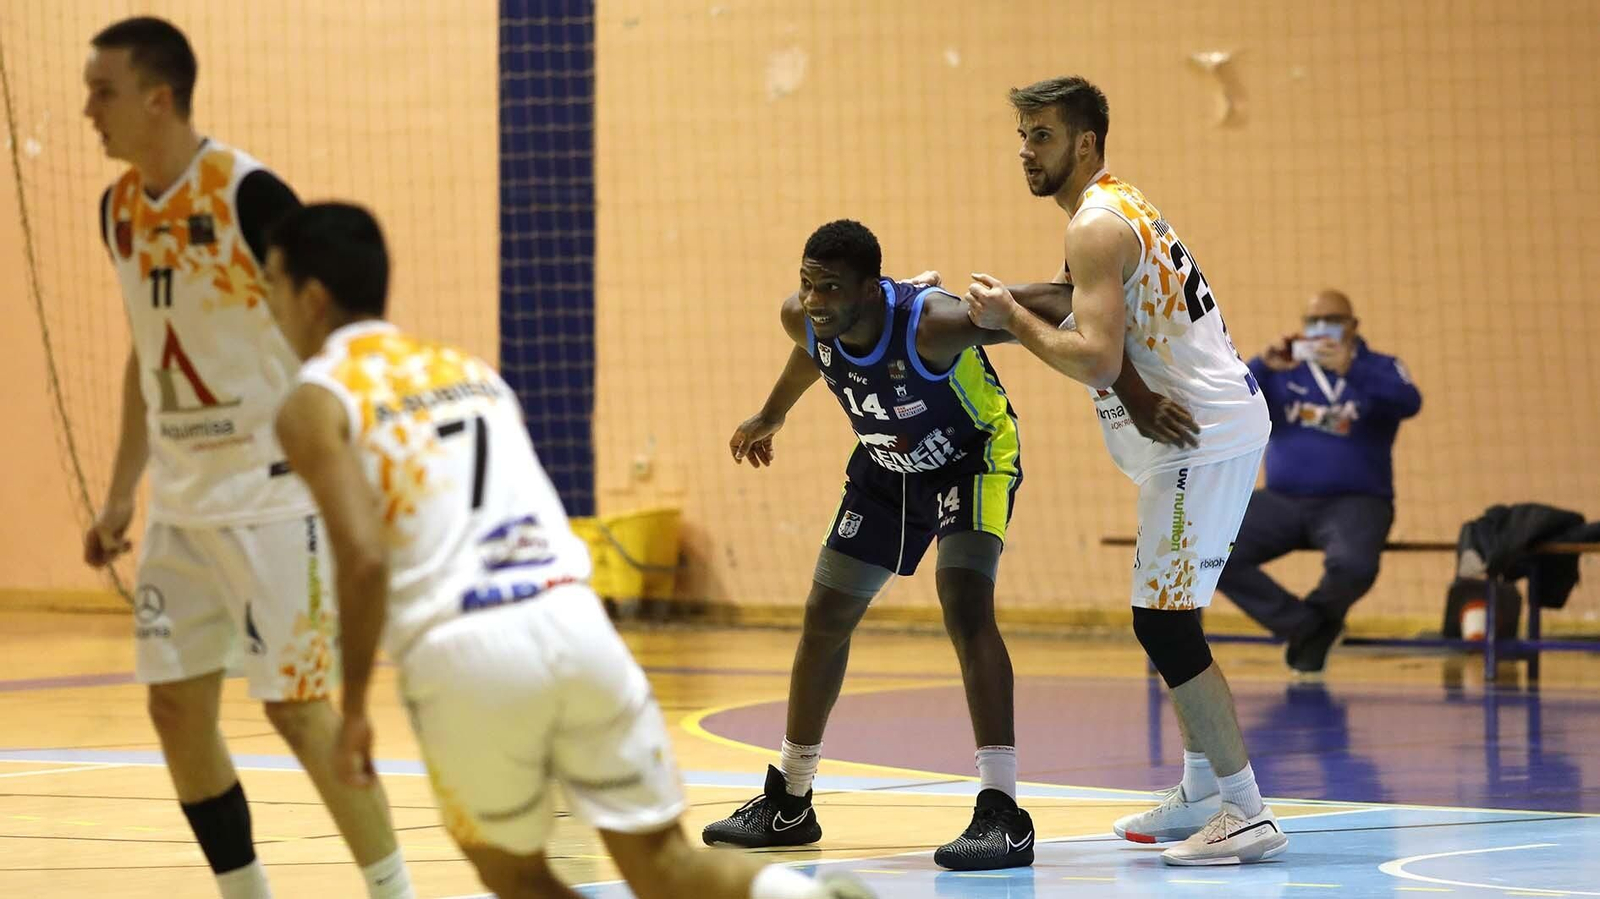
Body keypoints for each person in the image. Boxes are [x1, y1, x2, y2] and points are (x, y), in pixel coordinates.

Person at [263, 202, 873, 899]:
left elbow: (363, 557)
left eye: (273, 282)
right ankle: (807, 897)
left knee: (515, 874)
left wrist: (355, 709)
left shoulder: (313, 398)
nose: (267, 301)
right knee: (665, 865)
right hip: (577, 625)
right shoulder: (468, 371)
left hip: (465, 651)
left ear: (312, 297)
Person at [703, 219, 1199, 871]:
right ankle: (790, 800)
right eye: (807, 283)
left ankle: (1001, 811)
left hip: (971, 455)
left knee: (964, 601)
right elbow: (810, 346)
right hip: (888, 462)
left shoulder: (932, 324)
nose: (815, 299)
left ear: (873, 291)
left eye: (829, 286)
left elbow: (1028, 311)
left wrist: (1085, 290)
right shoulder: (803, 315)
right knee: (824, 616)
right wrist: (772, 413)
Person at [79, 18, 413, 898]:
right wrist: (122, 493)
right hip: (182, 505)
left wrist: (350, 463)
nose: (88, 109)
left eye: (101, 90)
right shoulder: (118, 210)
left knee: (301, 711)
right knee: (175, 708)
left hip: (272, 494)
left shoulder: (247, 195)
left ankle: (396, 893)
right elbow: (147, 350)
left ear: (159, 97)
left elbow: (328, 334)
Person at [963, 76, 1289, 865]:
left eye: (1041, 135)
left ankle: (1246, 810)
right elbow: (1106, 318)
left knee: (1163, 620)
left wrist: (1008, 316)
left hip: (1198, 440)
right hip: (1204, 429)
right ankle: (1202, 788)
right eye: (1022, 136)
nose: (1025, 151)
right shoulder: (1118, 207)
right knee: (1171, 610)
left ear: (1085, 143)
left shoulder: (1096, 226)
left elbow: (1095, 354)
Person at [1217, 290, 1422, 673]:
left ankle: (1314, 627)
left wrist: (1352, 370)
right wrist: (1263, 364)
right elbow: (1230, 400)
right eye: (1312, 321)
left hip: (1356, 501)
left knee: (1353, 565)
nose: (1321, 328)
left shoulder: (1380, 366)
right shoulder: (1284, 371)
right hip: (1282, 500)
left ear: (1353, 326)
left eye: (1332, 319)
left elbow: (1410, 401)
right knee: (1211, 550)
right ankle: (1308, 626)